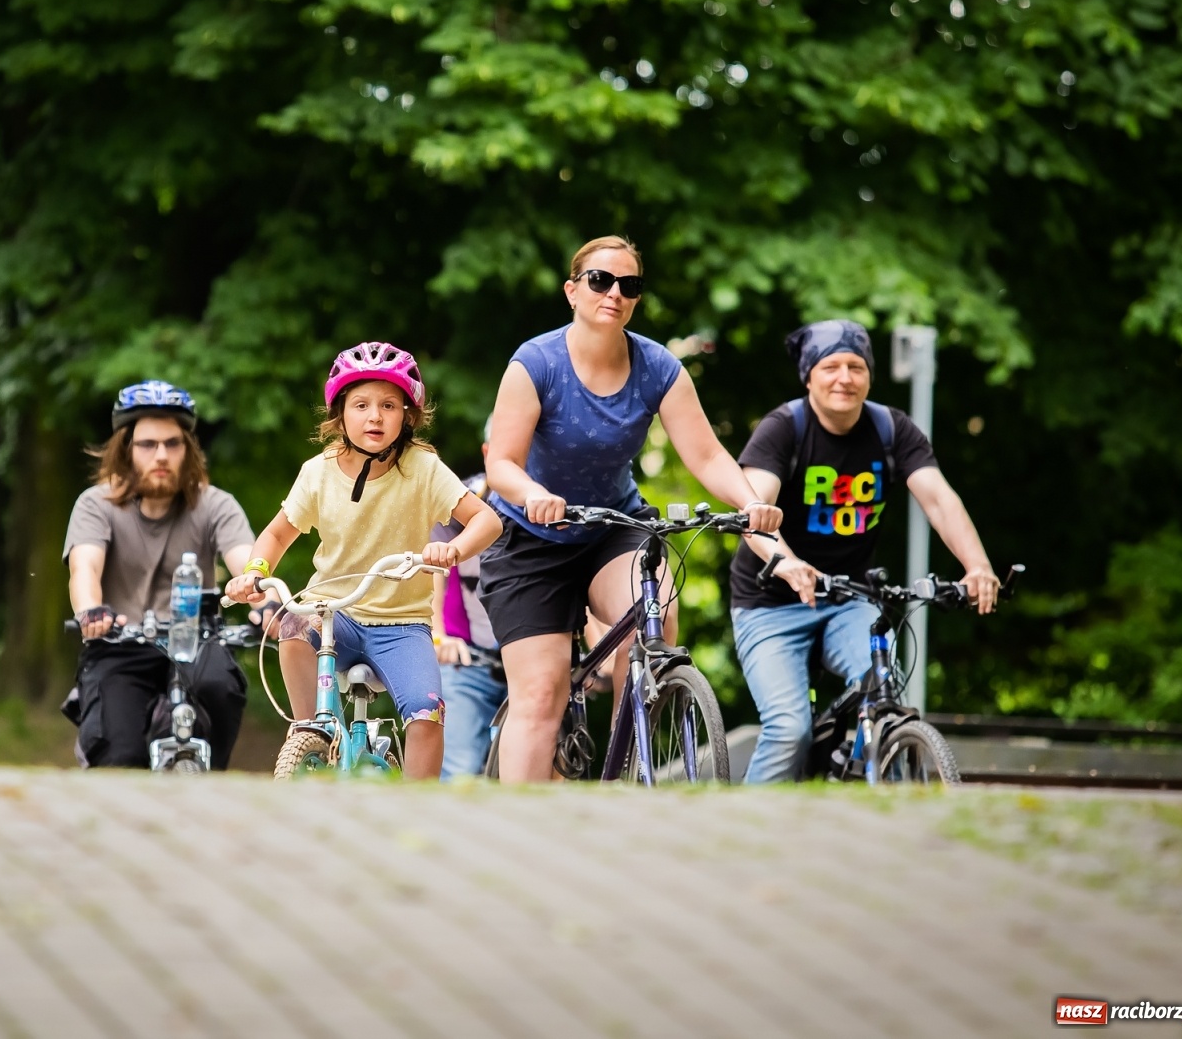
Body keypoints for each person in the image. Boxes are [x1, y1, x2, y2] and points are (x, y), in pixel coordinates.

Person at [481, 235, 783, 784]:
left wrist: (752, 502)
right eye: (601, 280)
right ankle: (519, 830)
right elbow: (501, 462)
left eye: (630, 285)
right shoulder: (535, 363)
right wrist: (533, 496)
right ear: (573, 291)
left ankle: (627, 765)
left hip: (610, 527)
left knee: (655, 610)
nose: (614, 293)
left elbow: (707, 453)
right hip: (531, 535)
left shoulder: (658, 367)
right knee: (542, 695)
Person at [730, 319, 1000, 784]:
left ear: (870, 375)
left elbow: (938, 498)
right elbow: (753, 510)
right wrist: (788, 563)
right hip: (769, 603)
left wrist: (977, 566)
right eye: (830, 365)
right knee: (789, 728)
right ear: (808, 376)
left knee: (884, 699)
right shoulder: (783, 429)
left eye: (856, 366)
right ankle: (749, 830)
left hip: (849, 599)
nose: (844, 377)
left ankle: (860, 783)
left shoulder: (892, 429)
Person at [225, 342, 502, 780]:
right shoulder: (317, 472)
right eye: (361, 404)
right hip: (333, 613)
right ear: (340, 414)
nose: (375, 416)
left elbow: (486, 521)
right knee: (292, 627)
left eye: (389, 405)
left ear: (407, 415)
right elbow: (278, 533)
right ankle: (310, 733)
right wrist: (256, 574)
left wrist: (452, 549)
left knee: (427, 714)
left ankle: (417, 813)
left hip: (402, 624)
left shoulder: (424, 469)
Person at [63, 381, 257, 769]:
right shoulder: (95, 504)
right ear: (125, 449)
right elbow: (84, 567)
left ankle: (210, 779)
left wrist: (266, 601)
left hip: (198, 640)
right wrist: (92, 611)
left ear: (188, 450)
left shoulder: (215, 504)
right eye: (148, 445)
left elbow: (250, 564)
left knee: (220, 686)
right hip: (120, 641)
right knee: (119, 758)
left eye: (173, 443)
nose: (162, 455)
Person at [431, 421, 503, 782]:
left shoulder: (557, 505)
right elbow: (432, 576)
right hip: (469, 657)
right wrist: (439, 637)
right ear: (488, 453)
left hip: (537, 662)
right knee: (458, 770)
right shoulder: (462, 501)